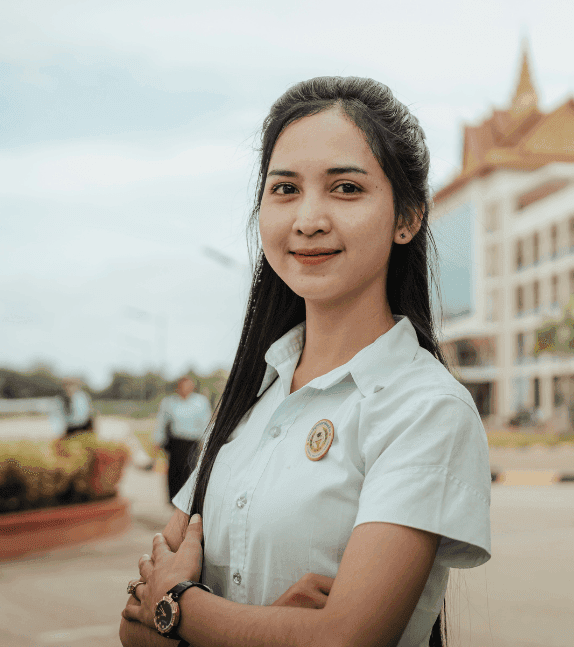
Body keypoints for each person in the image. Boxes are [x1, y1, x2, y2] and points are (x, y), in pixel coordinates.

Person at [120, 77, 492, 647]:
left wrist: (183, 608)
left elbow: (343, 639)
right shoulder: (250, 399)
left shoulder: (425, 409)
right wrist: (265, 624)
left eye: (345, 188)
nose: (308, 219)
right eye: (285, 189)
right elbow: (131, 628)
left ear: (408, 218)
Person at [152, 376, 213, 502]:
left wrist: (206, 443)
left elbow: (206, 424)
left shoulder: (200, 402)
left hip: (192, 443)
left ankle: (187, 500)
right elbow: (161, 423)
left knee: (189, 471)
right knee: (174, 472)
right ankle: (173, 500)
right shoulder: (169, 402)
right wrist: (157, 441)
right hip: (175, 442)